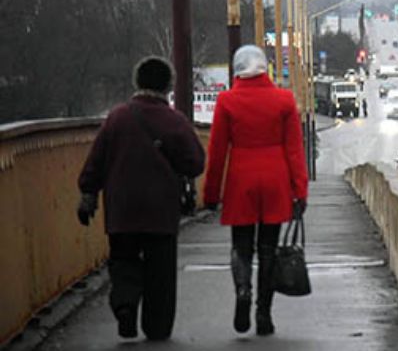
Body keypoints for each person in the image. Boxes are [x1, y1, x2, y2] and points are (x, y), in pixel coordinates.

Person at [77, 56, 205, 341]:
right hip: (161, 211)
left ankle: (125, 305)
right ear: (168, 85)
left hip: (122, 209)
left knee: (123, 260)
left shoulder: (118, 117)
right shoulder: (175, 121)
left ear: (138, 82)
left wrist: (88, 195)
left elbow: (96, 162)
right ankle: (157, 326)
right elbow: (195, 162)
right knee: (161, 271)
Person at [203, 45, 308, 336]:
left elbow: (217, 151)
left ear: (237, 69)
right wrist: (300, 191)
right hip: (276, 181)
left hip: (240, 181)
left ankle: (243, 291)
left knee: (241, 245)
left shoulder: (226, 101)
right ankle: (264, 312)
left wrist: (211, 194)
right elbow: (295, 151)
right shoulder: (284, 100)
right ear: (265, 68)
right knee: (269, 250)